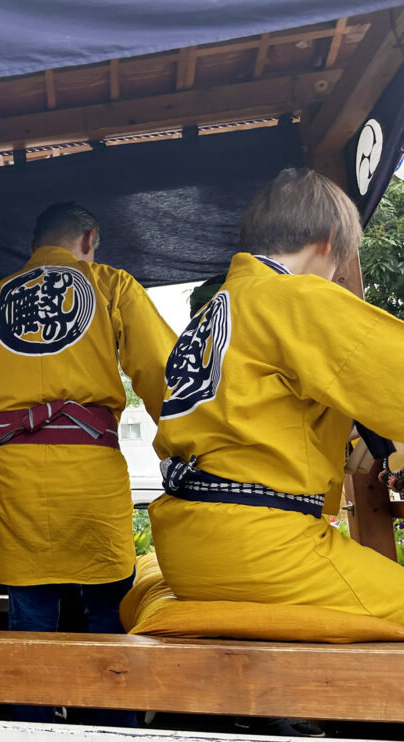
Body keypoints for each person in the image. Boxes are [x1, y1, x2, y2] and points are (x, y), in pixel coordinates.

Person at [150, 167, 404, 626]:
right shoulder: (295, 297)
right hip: (262, 547)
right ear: (329, 240)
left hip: (190, 544)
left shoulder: (216, 311)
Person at [0, 202, 177, 722]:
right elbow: (160, 370)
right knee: (108, 615)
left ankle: (34, 730)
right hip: (90, 472)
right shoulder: (110, 285)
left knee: (31, 620)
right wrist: (181, 444)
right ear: (89, 238)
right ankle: (114, 729)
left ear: (33, 246)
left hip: (17, 475)